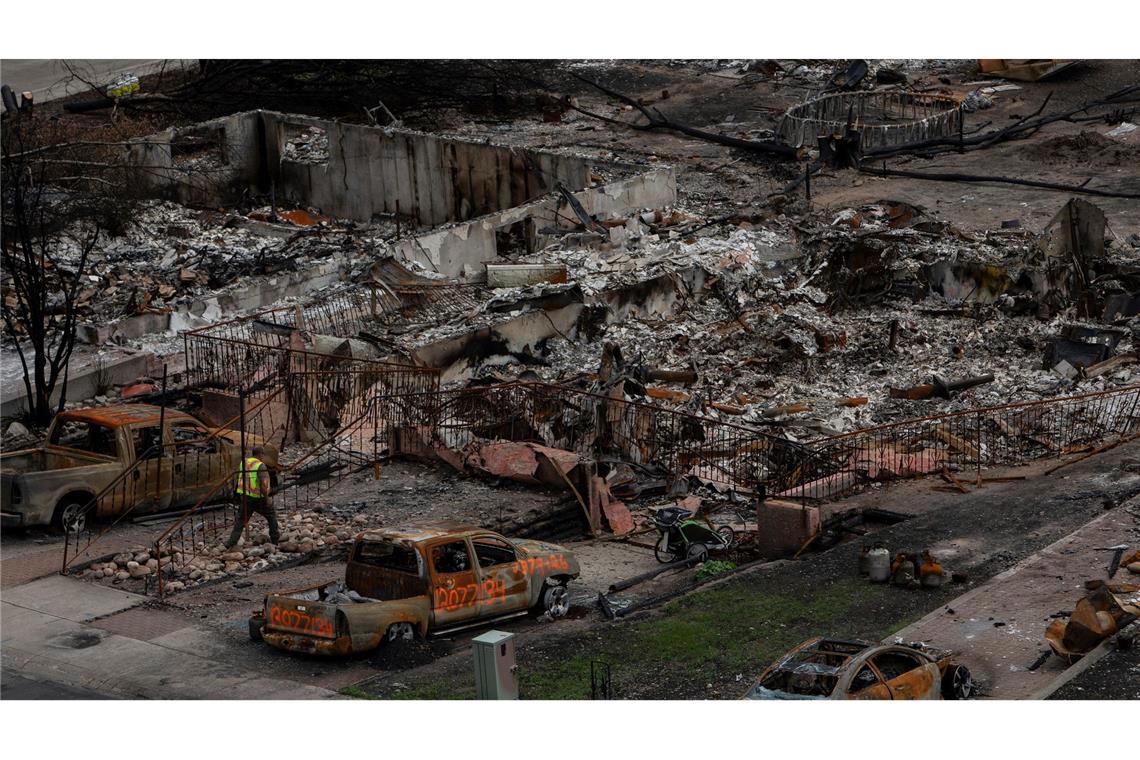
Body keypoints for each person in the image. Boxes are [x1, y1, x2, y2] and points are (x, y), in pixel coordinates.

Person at [224, 444, 280, 549]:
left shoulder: (244, 462)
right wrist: (267, 498)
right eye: (262, 454)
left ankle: (231, 542)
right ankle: (275, 541)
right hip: (257, 498)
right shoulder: (260, 465)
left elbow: (239, 477)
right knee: (271, 516)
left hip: (245, 496)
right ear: (260, 454)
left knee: (241, 520)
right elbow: (263, 485)